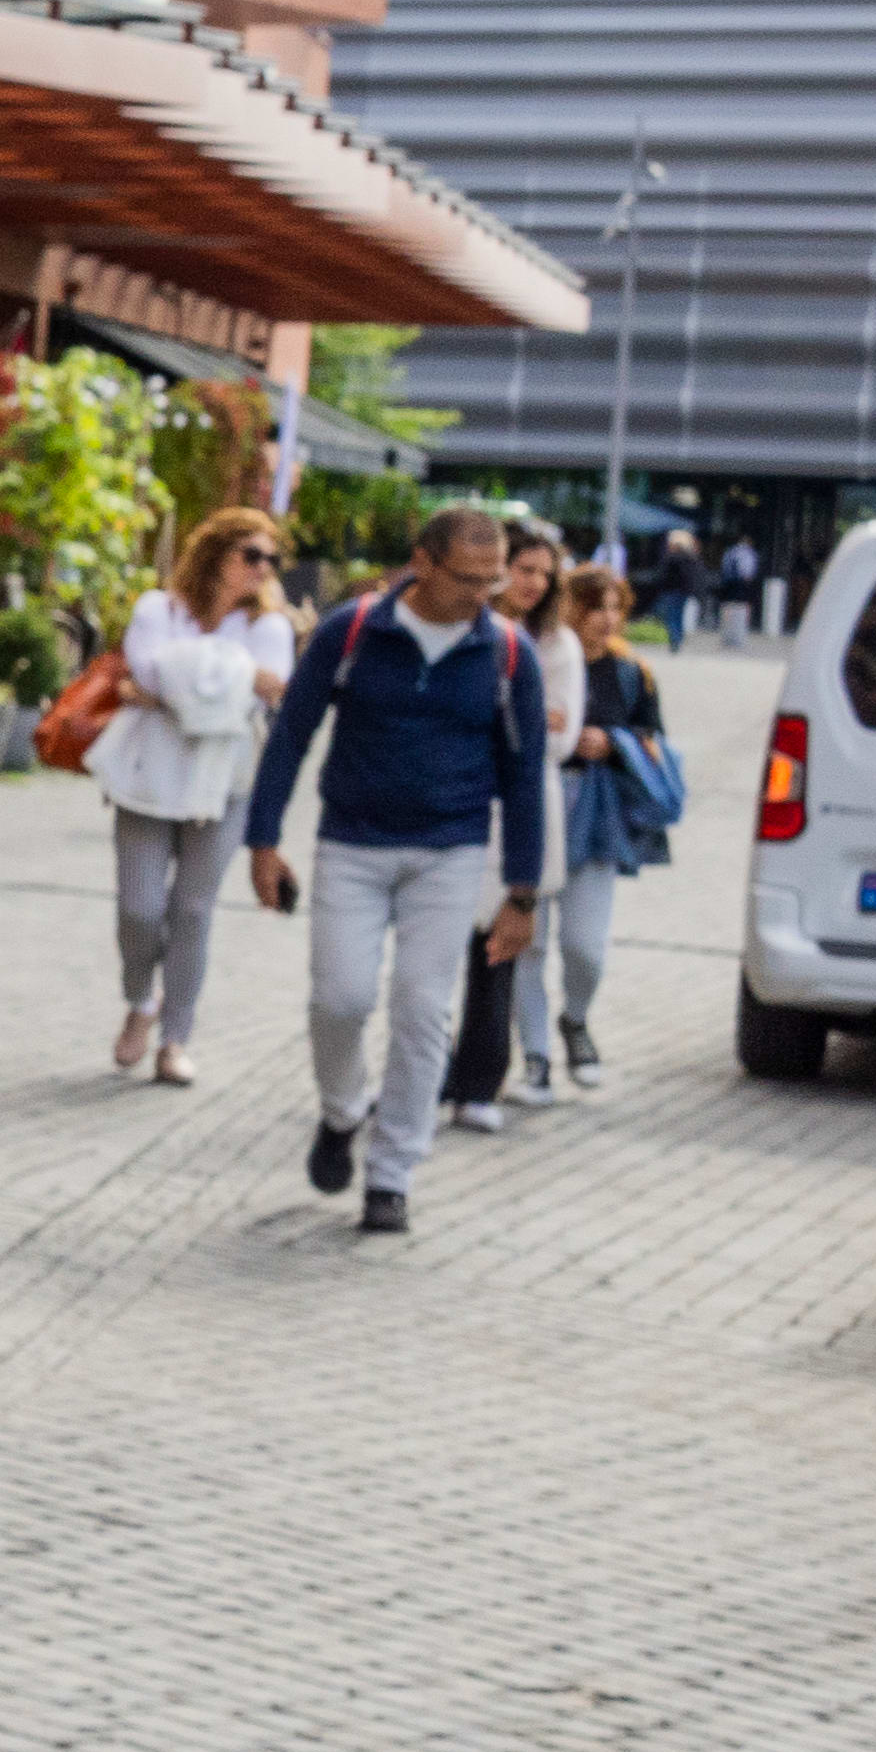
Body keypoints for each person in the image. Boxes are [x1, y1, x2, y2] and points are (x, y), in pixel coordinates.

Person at [245, 496, 552, 1240]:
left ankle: (392, 1175)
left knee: (422, 1008)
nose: (482, 595)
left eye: (492, 580)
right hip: (351, 844)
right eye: (467, 578)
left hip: (451, 853)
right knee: (340, 999)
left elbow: (525, 776)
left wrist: (522, 894)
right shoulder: (352, 631)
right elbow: (291, 735)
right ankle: (342, 1111)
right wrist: (262, 841)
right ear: (421, 564)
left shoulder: (509, 653)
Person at [92, 505, 296, 1085]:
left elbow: (261, 694)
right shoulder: (159, 609)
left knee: (192, 910)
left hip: (225, 784)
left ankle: (175, 1038)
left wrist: (175, 690)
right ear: (215, 554)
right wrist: (232, 678)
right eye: (251, 554)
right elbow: (149, 674)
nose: (263, 568)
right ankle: (141, 1000)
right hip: (147, 779)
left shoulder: (270, 626)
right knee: (138, 908)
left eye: (272, 559)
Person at [452, 519, 575, 1118]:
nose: (534, 583)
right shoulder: (465, 628)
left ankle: (480, 1083)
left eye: (545, 575)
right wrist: (522, 717)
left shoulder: (557, 646)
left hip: (521, 814)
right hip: (459, 803)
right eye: (525, 569)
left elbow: (561, 738)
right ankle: (434, 1077)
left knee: (497, 953)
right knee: (438, 953)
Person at [544, 557, 675, 1084]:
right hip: (541, 803)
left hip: (598, 815)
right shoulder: (544, 659)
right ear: (568, 607)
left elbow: (655, 741)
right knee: (529, 943)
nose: (608, 618)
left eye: (616, 608)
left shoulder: (630, 672)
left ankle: (575, 1018)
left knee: (585, 947)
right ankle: (534, 1056)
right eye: (595, 606)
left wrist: (613, 744)